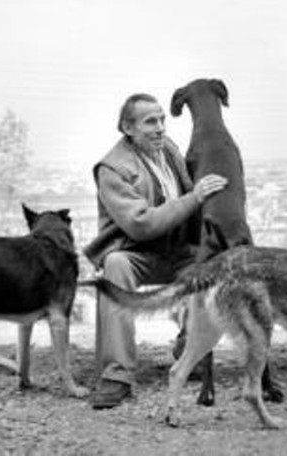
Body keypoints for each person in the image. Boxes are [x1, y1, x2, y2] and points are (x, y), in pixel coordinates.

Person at [84, 92, 227, 409]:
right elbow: (140, 224)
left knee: (216, 262)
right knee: (116, 266)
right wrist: (195, 198)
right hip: (137, 253)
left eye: (162, 119)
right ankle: (116, 375)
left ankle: (190, 348)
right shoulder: (112, 168)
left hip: (177, 250)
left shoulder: (170, 150)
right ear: (127, 127)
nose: (161, 127)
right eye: (151, 121)